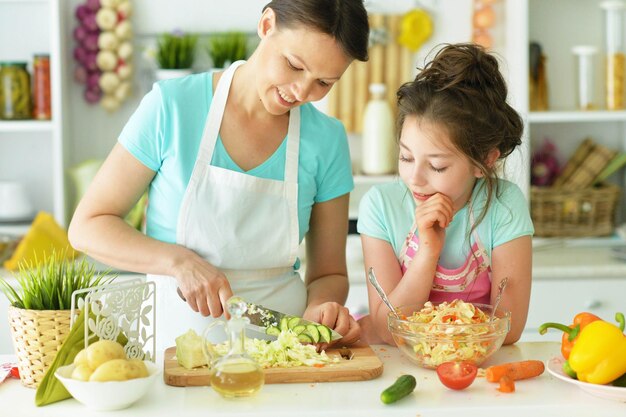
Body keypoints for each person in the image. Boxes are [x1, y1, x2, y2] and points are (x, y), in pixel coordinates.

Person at [68, 0, 369, 354]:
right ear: (267, 25)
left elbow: (328, 275)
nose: (302, 92)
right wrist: (177, 261)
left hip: (285, 357)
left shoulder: (327, 139)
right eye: (294, 65)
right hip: (177, 352)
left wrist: (323, 309)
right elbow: (88, 226)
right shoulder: (172, 107)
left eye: (323, 82)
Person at [356, 43, 533, 345]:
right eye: (406, 158)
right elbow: (387, 330)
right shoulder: (380, 206)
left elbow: (509, 329)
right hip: (400, 367)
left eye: (437, 166)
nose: (414, 179)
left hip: (473, 373)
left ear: (484, 161)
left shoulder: (504, 205)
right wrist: (428, 251)